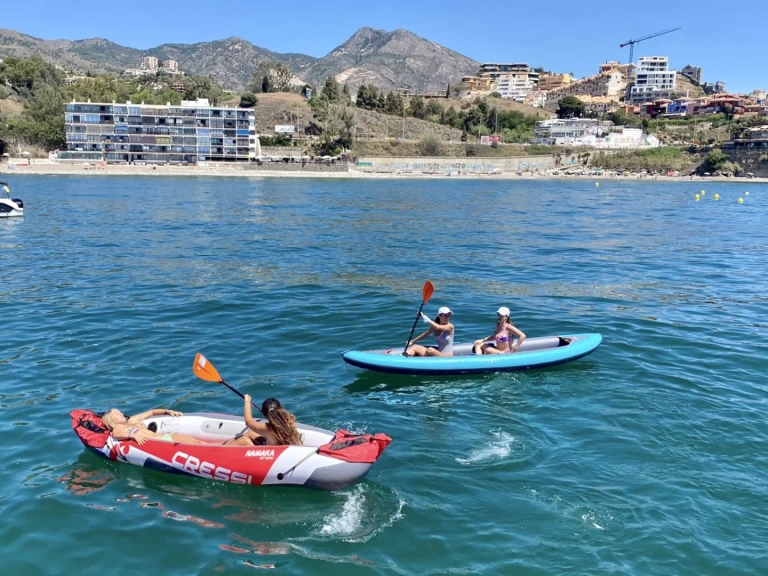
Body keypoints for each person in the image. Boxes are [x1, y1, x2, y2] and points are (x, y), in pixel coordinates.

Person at [102, 408, 255, 446]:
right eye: (116, 413)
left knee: (202, 444)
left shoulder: (133, 420)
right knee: (201, 445)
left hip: (166, 439)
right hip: (165, 441)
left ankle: (238, 442)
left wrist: (168, 411)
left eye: (120, 411)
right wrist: (133, 435)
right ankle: (238, 443)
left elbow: (153, 412)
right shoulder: (117, 429)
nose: (120, 413)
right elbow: (117, 435)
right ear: (111, 420)